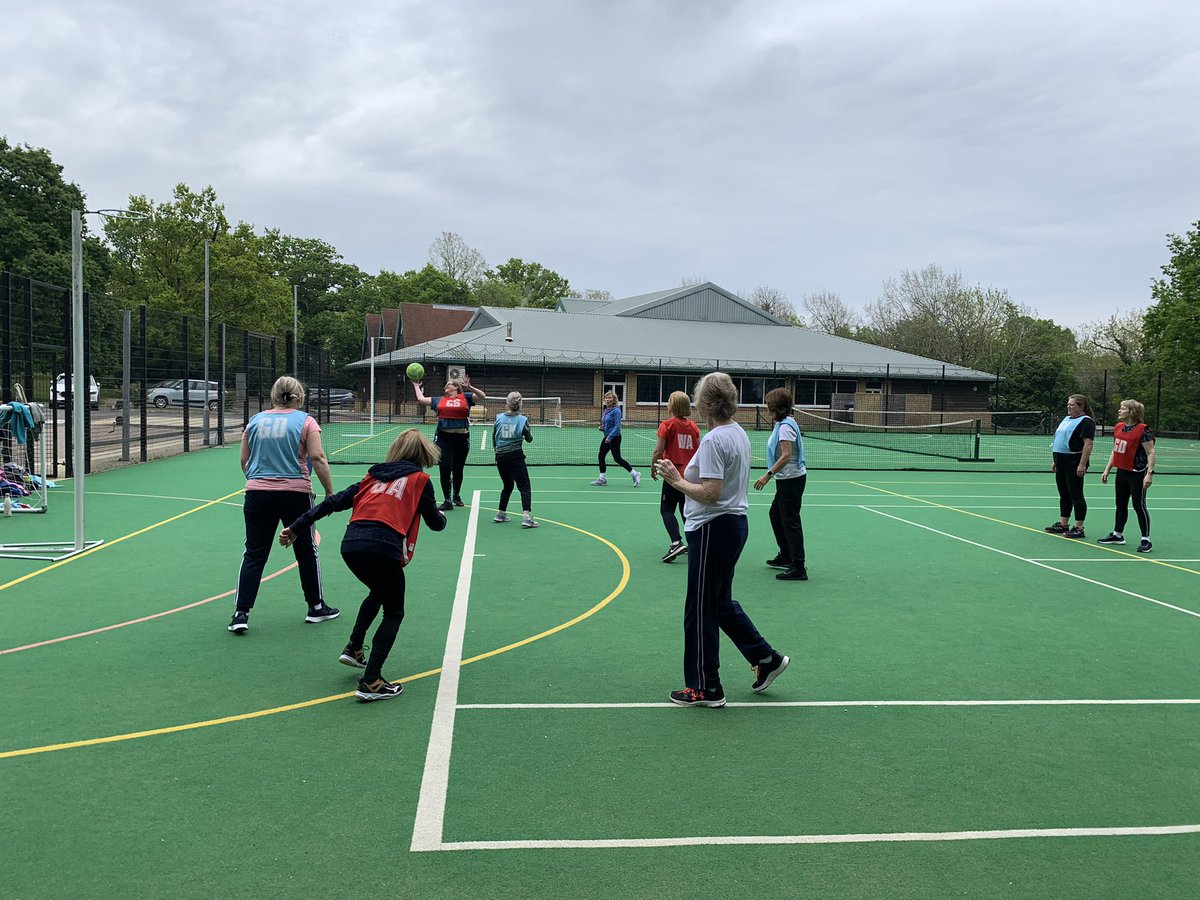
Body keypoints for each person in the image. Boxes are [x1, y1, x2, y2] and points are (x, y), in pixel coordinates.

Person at [279, 429, 447, 701]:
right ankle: (371, 680)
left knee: (379, 592)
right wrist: (440, 515)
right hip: (383, 547)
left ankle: (354, 647)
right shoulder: (420, 480)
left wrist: (296, 528)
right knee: (394, 611)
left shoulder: (372, 478)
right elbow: (435, 524)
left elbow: (332, 503)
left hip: (352, 545)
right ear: (423, 454)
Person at [655, 372, 790, 708]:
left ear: (707, 403)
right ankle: (766, 658)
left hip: (715, 527)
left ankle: (705, 687)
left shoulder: (716, 440)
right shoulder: (737, 433)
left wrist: (676, 480)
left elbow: (711, 493)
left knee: (699, 609)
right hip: (730, 526)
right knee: (718, 603)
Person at [229, 376, 339, 633]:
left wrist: (258, 481)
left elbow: (244, 460)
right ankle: (316, 607)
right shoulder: (306, 421)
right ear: (299, 397)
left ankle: (240, 613)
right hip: (295, 494)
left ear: (274, 396)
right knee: (305, 550)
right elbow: (318, 457)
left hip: (257, 494)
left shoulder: (255, 421)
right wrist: (330, 492)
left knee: (255, 553)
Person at [753, 387, 807, 581]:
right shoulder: (782, 423)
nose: (767, 408)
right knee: (776, 515)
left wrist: (767, 475)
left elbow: (786, 456)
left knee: (790, 521)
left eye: (769, 405)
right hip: (787, 479)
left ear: (776, 407)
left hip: (791, 479)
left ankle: (798, 567)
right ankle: (786, 554)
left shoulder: (785, 427)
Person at [412, 372, 487, 510]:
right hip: (444, 438)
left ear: (456, 388)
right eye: (445, 385)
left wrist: (470, 387)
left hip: (461, 438)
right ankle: (447, 500)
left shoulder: (466, 397)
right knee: (444, 468)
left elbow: (482, 396)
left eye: (449, 384)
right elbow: (421, 400)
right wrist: (416, 386)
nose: (446, 386)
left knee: (458, 469)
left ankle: (456, 495)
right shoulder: (439, 400)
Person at [1098, 399, 1155, 553]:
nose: (1119, 410)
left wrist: (1149, 474)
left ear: (1131, 411)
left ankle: (1146, 539)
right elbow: (1115, 450)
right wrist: (1107, 469)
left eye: (1122, 408)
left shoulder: (1143, 430)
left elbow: (1150, 452)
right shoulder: (1119, 428)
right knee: (1120, 503)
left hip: (1137, 472)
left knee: (1139, 505)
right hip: (1122, 471)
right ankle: (1118, 535)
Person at [650, 390, 699, 562]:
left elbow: (658, 449)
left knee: (666, 509)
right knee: (686, 510)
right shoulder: (693, 427)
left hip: (673, 474)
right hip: (689, 475)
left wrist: (653, 466)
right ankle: (695, 543)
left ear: (674, 405)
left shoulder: (667, 425)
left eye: (669, 401)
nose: (667, 404)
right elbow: (697, 451)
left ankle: (676, 542)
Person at [1045, 394, 1096, 539]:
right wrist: (1055, 461)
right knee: (1064, 494)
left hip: (1074, 461)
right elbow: (1059, 440)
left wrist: (1082, 464)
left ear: (1082, 407)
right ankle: (1063, 524)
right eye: (1068, 404)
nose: (1069, 406)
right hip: (1061, 461)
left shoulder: (1086, 422)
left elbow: (1088, 444)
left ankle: (1079, 528)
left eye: (1072, 405)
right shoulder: (1067, 419)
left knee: (1076, 494)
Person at [493, 391, 538, 528]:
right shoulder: (523, 420)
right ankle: (526, 517)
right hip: (515, 456)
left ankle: (500, 513)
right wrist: (528, 433)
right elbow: (529, 439)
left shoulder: (499, 418)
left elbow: (494, 437)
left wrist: (497, 452)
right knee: (524, 486)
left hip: (500, 456)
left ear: (507, 403)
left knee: (507, 485)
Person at [591, 391, 640, 487]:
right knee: (601, 455)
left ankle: (635, 473)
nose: (607, 399)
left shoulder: (617, 411)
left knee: (617, 459)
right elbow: (607, 423)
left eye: (609, 398)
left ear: (614, 400)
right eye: (606, 398)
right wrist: (602, 427)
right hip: (607, 437)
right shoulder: (606, 410)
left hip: (615, 438)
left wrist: (609, 437)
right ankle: (602, 478)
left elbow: (617, 427)